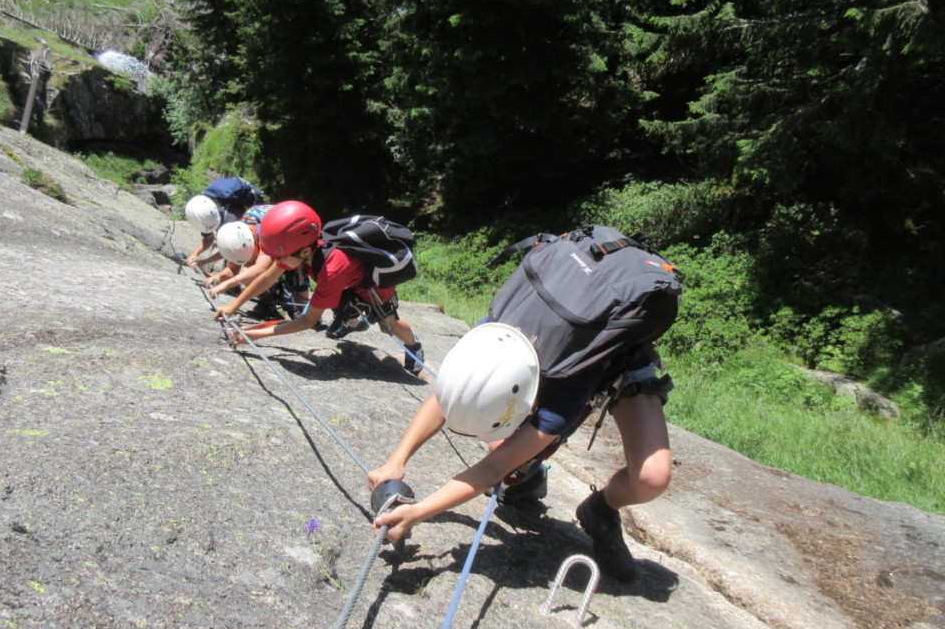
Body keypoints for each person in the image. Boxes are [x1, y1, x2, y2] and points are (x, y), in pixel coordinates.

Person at [367, 306, 675, 583]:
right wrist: (397, 459)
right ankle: (530, 473)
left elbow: (495, 466)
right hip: (557, 345)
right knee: (510, 455)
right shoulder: (497, 335)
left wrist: (419, 512)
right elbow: (452, 396)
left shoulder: (562, 399)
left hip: (621, 361)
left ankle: (601, 510)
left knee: (651, 478)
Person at [214, 200, 425, 374]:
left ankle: (414, 346)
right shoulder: (302, 249)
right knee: (339, 306)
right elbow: (267, 278)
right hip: (348, 279)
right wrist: (233, 305)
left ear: (304, 252)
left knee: (389, 325)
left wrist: (254, 334)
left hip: (372, 287)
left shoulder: (330, 270)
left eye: (280, 257)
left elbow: (308, 320)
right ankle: (352, 321)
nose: (276, 261)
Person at [205, 210, 311, 316]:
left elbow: (261, 268)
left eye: (248, 257)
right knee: (246, 274)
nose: (249, 261)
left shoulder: (266, 237)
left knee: (297, 282)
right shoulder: (237, 236)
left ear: (252, 244)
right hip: (274, 233)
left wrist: (227, 284)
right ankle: (268, 304)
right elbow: (233, 269)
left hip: (293, 244)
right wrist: (219, 276)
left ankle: (305, 312)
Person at [183, 177, 266, 271]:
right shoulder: (203, 209)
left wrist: (203, 262)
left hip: (254, 211)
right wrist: (194, 255)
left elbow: (232, 248)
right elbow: (208, 238)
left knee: (239, 255)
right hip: (235, 205)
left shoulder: (230, 217)